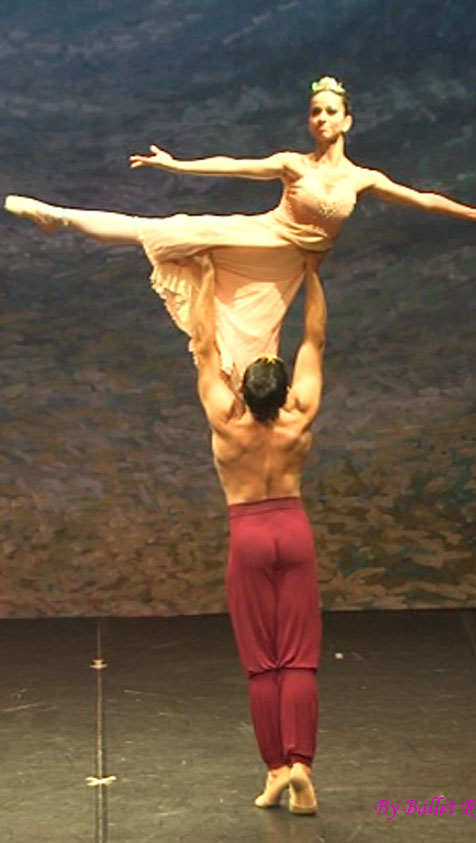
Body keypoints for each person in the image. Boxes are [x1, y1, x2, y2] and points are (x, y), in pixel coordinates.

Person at [4, 75, 476, 384]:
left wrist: (474, 214)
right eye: (315, 112)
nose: (321, 119)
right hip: (264, 239)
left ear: (347, 121)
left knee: (255, 358)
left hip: (290, 270)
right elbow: (234, 164)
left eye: (330, 112)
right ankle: (59, 216)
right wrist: (177, 166)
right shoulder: (292, 164)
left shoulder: (365, 178)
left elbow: (424, 200)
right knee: (160, 229)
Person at [188, 249, 326, 814]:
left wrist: (204, 277)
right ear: (285, 388)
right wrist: (311, 273)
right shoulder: (300, 414)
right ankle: (300, 769)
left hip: (248, 533)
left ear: (244, 390)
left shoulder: (226, 418)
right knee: (298, 658)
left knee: (262, 662)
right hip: (292, 528)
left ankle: (274, 765)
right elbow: (314, 339)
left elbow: (204, 344)